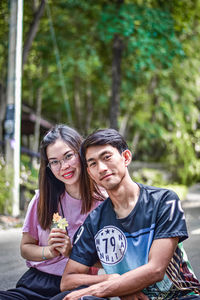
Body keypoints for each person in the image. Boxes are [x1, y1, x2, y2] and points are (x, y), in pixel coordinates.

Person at [51, 128, 200, 300]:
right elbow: (68, 280)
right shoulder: (94, 221)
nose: (101, 168)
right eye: (92, 163)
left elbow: (156, 270)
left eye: (107, 157)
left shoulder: (164, 201)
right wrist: (116, 282)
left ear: (126, 157)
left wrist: (98, 290)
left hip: (180, 296)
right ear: (90, 173)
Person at [0, 124, 104, 300]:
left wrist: (73, 252)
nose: (63, 167)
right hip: (36, 283)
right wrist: (49, 251)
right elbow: (26, 248)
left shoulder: (104, 202)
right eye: (54, 162)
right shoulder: (43, 198)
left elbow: (112, 262)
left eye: (68, 156)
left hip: (79, 286)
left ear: (81, 153)